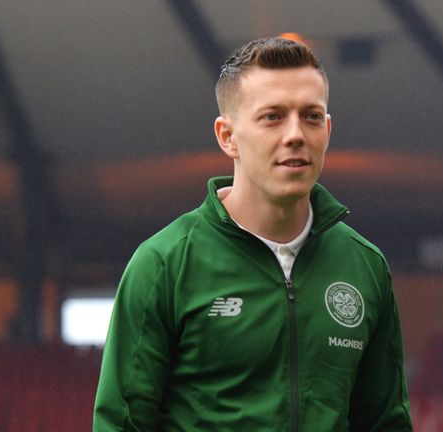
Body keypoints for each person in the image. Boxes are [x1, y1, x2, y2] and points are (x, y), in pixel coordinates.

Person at [93, 36, 412, 431]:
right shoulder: (164, 263)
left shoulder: (365, 265)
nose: (295, 134)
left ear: (327, 130)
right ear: (227, 136)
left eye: (311, 116)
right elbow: (121, 423)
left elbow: (385, 423)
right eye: (272, 116)